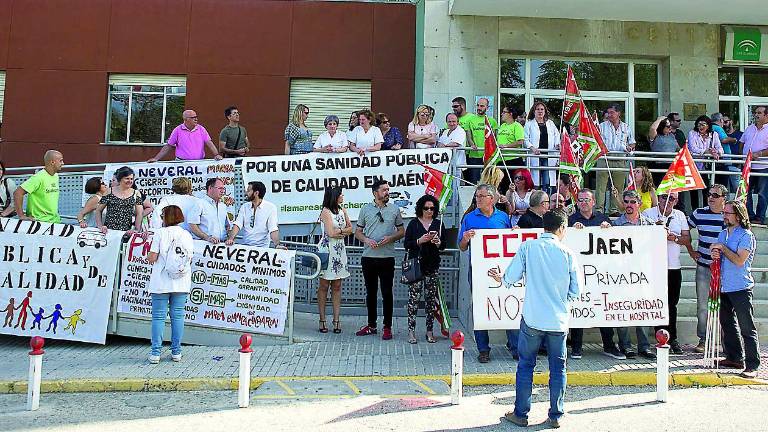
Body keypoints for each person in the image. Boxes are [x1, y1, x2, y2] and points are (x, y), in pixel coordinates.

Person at [489, 210, 582, 429]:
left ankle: (521, 413)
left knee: (525, 366)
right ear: (562, 228)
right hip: (558, 320)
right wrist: (561, 302)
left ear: (543, 227)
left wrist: (500, 278)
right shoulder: (568, 253)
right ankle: (556, 415)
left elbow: (510, 278)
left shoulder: (528, 247)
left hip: (532, 317)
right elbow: (575, 291)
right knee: (558, 369)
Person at [458, 184, 518, 363]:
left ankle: (515, 346)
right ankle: (483, 349)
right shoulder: (468, 218)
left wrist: (514, 233)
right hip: (478, 271)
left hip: (501, 271)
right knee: (479, 308)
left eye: (481, 196)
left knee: (508, 304)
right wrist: (466, 239)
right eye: (477, 196)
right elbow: (461, 247)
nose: (478, 199)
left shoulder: (503, 217)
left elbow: (510, 242)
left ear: (491, 199)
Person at [710, 200, 760, 378]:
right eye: (724, 212)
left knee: (747, 327)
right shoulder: (723, 234)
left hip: (740, 287)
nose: (724, 215)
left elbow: (740, 261)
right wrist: (715, 251)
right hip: (724, 285)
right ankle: (734, 356)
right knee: (727, 324)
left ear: (738, 216)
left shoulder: (746, 235)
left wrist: (722, 248)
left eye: (727, 213)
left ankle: (752, 364)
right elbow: (720, 255)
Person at [568, 189, 617, 359]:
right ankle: (576, 347)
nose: (583, 203)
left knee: (604, 308)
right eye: (580, 200)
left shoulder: (603, 219)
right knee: (579, 309)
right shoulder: (571, 220)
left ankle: (609, 346)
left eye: (587, 200)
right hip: (579, 272)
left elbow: (615, 240)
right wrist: (572, 230)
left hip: (601, 274)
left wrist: (608, 229)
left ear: (594, 202)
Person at [354, 180, 404, 340]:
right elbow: (358, 232)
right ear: (375, 192)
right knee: (371, 293)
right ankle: (371, 325)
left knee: (387, 293)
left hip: (387, 257)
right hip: (368, 257)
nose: (387, 192)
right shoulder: (365, 209)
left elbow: (402, 231)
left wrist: (391, 237)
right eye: (384, 190)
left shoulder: (395, 209)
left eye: (388, 189)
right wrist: (366, 240)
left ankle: (387, 327)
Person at [642, 191, 689, 355]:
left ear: (676, 201)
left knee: (672, 304)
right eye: (664, 197)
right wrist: (655, 230)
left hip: (673, 267)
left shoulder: (680, 215)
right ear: (659, 198)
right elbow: (640, 237)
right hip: (654, 266)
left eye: (672, 198)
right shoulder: (648, 213)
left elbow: (686, 239)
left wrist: (673, 238)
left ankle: (672, 337)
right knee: (656, 303)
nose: (667, 201)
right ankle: (659, 337)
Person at [146, 204, 194, 364]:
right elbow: (189, 257)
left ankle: (155, 353)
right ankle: (176, 351)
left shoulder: (160, 234)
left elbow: (152, 258)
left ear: (165, 218)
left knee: (158, 317)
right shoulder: (186, 235)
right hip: (181, 280)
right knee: (178, 316)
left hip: (161, 281)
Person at [612, 190, 655, 359]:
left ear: (639, 204)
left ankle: (644, 346)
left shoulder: (650, 225)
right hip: (622, 274)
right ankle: (625, 346)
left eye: (632, 202)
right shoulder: (616, 225)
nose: (629, 205)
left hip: (643, 274)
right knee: (622, 309)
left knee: (642, 309)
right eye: (626, 202)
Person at [687, 184, 727, 352]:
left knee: (725, 307)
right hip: (704, 267)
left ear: (724, 199)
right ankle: (703, 340)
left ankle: (727, 343)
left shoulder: (730, 215)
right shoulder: (699, 213)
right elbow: (683, 230)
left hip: (725, 270)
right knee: (703, 306)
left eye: (715, 195)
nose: (710, 197)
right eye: (709, 194)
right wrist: (691, 251)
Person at [404, 195, 446, 344]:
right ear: (420, 208)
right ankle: (411, 331)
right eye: (426, 208)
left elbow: (444, 246)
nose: (429, 211)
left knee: (430, 301)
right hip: (416, 267)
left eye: (432, 208)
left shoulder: (438, 224)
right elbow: (406, 244)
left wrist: (438, 242)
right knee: (413, 300)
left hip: (432, 266)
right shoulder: (413, 224)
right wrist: (419, 241)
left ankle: (429, 331)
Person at [316, 187, 352, 334]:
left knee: (337, 285)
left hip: (339, 250)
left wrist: (340, 232)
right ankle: (322, 319)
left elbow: (351, 228)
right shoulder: (325, 211)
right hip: (327, 251)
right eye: (340, 194)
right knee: (324, 285)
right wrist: (342, 232)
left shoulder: (343, 210)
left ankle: (336, 319)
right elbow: (330, 233)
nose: (343, 196)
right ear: (334, 196)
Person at [597, 103, 635, 216]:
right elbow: (595, 141)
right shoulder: (601, 126)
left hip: (620, 158)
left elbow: (632, 142)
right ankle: (599, 209)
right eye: (608, 112)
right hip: (605, 158)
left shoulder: (626, 127)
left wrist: (630, 147)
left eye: (612, 112)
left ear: (619, 113)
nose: (609, 115)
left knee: (618, 187)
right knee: (601, 186)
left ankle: (614, 210)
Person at [148, 110, 222, 162]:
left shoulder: (201, 129)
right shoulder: (177, 130)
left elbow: (209, 143)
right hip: (182, 164)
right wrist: (156, 158)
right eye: (193, 117)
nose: (196, 119)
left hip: (199, 163)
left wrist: (216, 154)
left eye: (196, 117)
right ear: (185, 119)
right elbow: (168, 146)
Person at [226, 181, 280, 248]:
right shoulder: (244, 207)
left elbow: (273, 228)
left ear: (256, 193)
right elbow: (237, 224)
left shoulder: (271, 208)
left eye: (248, 191)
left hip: (262, 249)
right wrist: (231, 238)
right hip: (246, 248)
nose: (246, 193)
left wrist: (277, 245)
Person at [14, 150, 63, 223]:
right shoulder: (38, 177)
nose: (63, 163)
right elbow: (18, 193)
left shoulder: (56, 176)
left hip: (55, 220)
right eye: (61, 161)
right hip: (39, 222)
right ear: (52, 162)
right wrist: (21, 216)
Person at [688, 115, 723, 210]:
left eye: (703, 124)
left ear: (708, 125)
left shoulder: (714, 134)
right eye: (699, 124)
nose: (701, 127)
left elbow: (720, 149)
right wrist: (707, 151)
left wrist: (715, 152)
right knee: (694, 191)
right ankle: (695, 211)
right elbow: (693, 148)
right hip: (694, 166)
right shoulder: (692, 133)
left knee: (707, 190)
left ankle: (706, 209)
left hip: (707, 168)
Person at [739, 105, 768, 224]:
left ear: (766, 115)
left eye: (759, 113)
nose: (756, 115)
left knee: (762, 194)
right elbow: (741, 142)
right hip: (748, 167)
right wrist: (742, 156)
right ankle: (749, 216)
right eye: (755, 112)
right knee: (745, 192)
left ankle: (759, 218)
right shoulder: (750, 128)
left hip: (763, 167)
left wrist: (759, 153)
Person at [523, 102, 560, 190]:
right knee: (535, 180)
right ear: (534, 111)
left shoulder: (550, 123)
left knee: (547, 179)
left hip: (548, 155)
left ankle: (547, 197)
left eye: (542, 109)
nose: (540, 111)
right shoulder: (529, 124)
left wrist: (557, 145)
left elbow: (557, 136)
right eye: (538, 109)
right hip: (535, 155)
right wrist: (533, 148)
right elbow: (525, 139)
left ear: (545, 111)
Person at [95, 166, 143, 233]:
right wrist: (100, 226)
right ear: (120, 179)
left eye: (131, 179)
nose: (130, 181)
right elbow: (98, 210)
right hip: (109, 231)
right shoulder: (109, 191)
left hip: (126, 232)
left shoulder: (136, 193)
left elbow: (139, 213)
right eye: (127, 178)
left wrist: (136, 230)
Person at [464, 97, 497, 183]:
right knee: (474, 181)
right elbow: (468, 136)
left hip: (488, 156)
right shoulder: (470, 120)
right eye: (478, 105)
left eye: (482, 106)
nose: (479, 108)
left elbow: (494, 138)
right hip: (474, 155)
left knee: (488, 182)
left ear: (487, 107)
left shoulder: (492, 121)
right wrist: (472, 144)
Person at [189, 178, 229, 243]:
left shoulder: (223, 206)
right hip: (205, 245)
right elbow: (192, 224)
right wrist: (207, 237)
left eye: (223, 188)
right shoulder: (200, 203)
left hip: (222, 245)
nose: (222, 191)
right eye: (220, 188)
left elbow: (227, 225)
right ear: (210, 188)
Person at [497, 105, 526, 192]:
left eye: (504, 112)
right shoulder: (502, 126)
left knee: (513, 185)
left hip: (513, 159)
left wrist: (506, 146)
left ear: (510, 114)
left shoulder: (517, 126)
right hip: (501, 159)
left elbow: (520, 141)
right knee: (503, 185)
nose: (502, 114)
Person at [647, 116, 680, 186]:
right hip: (658, 165)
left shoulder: (672, 136)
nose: (670, 128)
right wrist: (660, 119)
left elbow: (678, 148)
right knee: (659, 187)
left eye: (670, 126)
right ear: (661, 126)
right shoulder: (656, 136)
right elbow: (653, 128)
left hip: (671, 165)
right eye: (668, 126)